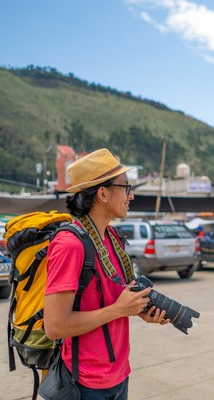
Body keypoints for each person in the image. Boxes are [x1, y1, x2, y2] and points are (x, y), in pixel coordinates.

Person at [44, 148, 170, 399]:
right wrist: (118, 310)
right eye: (126, 187)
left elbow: (115, 299)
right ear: (102, 193)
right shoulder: (70, 245)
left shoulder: (112, 238)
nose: (131, 195)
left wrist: (140, 310)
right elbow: (55, 326)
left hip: (120, 374)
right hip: (84, 384)